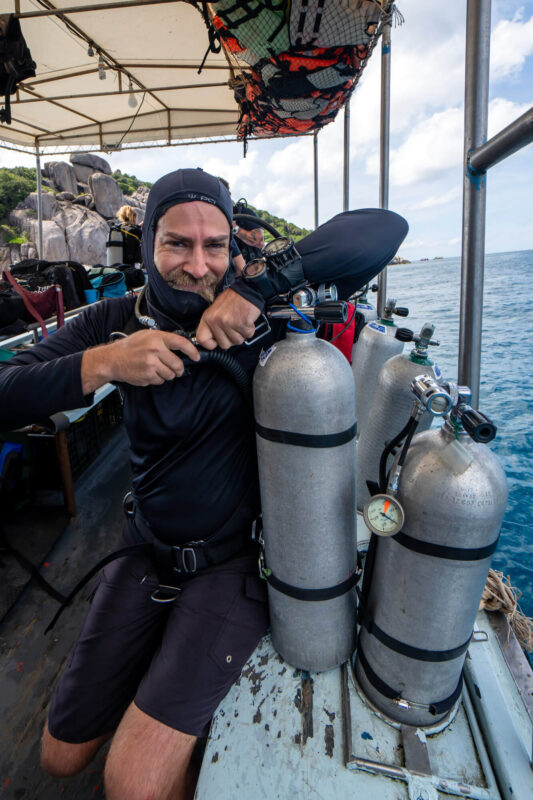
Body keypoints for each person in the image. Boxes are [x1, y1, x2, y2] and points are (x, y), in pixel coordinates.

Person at [0, 168, 408, 800]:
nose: (197, 264)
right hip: (145, 548)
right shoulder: (115, 319)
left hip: (234, 564)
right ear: (146, 246)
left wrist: (261, 287)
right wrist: (107, 362)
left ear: (232, 248)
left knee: (131, 784)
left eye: (214, 244)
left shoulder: (265, 315)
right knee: (58, 757)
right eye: (176, 244)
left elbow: (385, 230)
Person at [218, 178, 265, 264]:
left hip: (251, 270)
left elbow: (259, 242)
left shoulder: (243, 213)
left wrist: (235, 229)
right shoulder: (208, 218)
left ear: (228, 194)